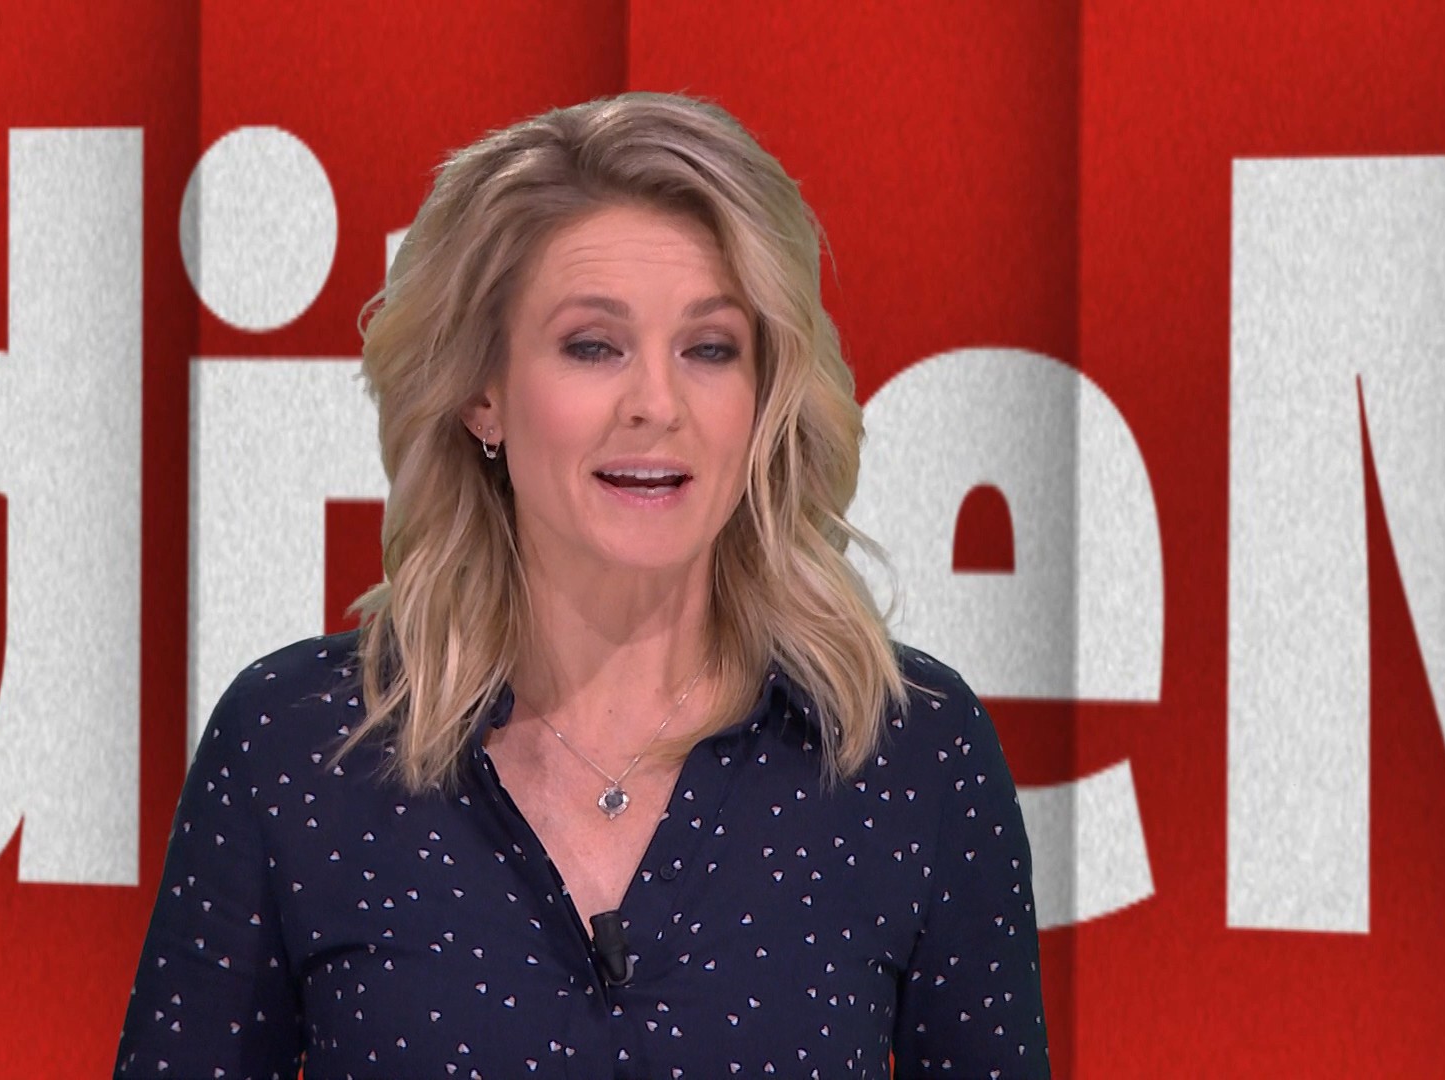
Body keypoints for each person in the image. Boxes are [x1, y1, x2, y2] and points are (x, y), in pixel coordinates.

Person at [115, 91, 1048, 1079]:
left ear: (764, 399)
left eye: (710, 349)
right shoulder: (293, 745)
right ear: (483, 393)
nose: (656, 403)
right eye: (593, 346)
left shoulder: (915, 753)